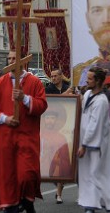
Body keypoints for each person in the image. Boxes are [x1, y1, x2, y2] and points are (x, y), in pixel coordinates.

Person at [0, 50, 47, 213]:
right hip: (6, 137)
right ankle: (13, 206)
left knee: (27, 175)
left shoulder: (34, 82)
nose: (11, 61)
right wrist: (5, 118)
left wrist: (25, 98)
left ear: (23, 61)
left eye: (14, 58)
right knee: (8, 176)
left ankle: (25, 201)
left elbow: (42, 105)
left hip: (27, 136)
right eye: (9, 59)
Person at [77, 66, 110, 213]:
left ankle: (109, 205)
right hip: (87, 143)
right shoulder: (88, 94)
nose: (86, 81)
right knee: (88, 175)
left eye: (89, 78)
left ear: (98, 81)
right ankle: (91, 205)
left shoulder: (102, 101)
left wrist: (84, 144)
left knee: (98, 175)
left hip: (96, 144)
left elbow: (94, 125)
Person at [44, 66, 71, 204]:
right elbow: (47, 104)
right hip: (50, 129)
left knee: (61, 161)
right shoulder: (48, 89)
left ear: (61, 76)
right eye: (51, 76)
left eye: (55, 76)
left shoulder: (68, 87)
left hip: (65, 127)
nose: (53, 78)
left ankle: (59, 193)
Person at [40, 106, 71, 204]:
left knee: (60, 169)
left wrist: (56, 160)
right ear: (44, 120)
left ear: (56, 120)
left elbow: (65, 159)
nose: (50, 121)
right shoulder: (39, 134)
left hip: (55, 166)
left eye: (52, 118)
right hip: (42, 164)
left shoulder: (61, 137)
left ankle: (59, 194)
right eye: (47, 118)